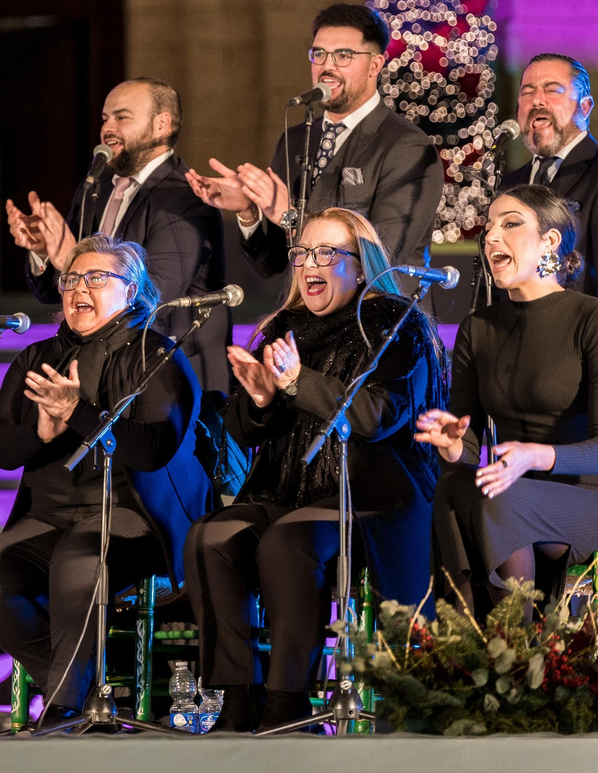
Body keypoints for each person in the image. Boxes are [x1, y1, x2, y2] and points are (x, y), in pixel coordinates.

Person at [184, 208, 444, 733]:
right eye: (302, 253)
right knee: (209, 537)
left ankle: (288, 701)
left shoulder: (396, 323)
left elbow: (375, 416)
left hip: (370, 494)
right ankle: (238, 696)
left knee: (287, 542)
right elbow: (246, 432)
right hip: (289, 489)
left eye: (328, 253)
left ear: (361, 264)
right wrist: (259, 399)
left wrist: (299, 382)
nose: (310, 264)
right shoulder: (282, 327)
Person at [0, 235, 211, 722]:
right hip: (51, 515)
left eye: (96, 278)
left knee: (78, 560)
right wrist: (40, 430)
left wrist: (78, 411)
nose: (79, 288)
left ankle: (65, 710)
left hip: (136, 517)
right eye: (72, 279)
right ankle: (88, 684)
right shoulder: (36, 358)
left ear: (133, 290)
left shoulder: (156, 354)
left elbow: (154, 449)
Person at [416, 186, 598, 619]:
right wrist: (453, 444)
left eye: (510, 224)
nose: (490, 237)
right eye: (488, 227)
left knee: (502, 499)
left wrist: (534, 457)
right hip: (519, 496)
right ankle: (465, 650)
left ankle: (518, 658)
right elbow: (466, 454)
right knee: (452, 486)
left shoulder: (597, 319)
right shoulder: (479, 328)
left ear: (550, 241)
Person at [186, 4, 442, 284]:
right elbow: (270, 265)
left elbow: (384, 256)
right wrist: (249, 211)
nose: (327, 66)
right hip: (303, 318)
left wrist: (291, 216)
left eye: (344, 55)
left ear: (375, 65)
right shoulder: (295, 140)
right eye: (318, 53)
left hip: (376, 319)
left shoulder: (407, 147)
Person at [6, 78, 230, 395]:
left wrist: (71, 258)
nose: (107, 128)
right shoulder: (96, 187)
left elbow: (154, 298)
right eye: (105, 118)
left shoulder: (184, 198)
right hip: (105, 375)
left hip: (170, 382)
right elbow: (52, 293)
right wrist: (44, 251)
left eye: (121, 117)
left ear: (161, 125)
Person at [497, 54, 598, 331]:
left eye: (553, 89)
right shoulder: (511, 184)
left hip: (584, 354)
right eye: (527, 91)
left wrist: (573, 347)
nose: (537, 100)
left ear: (585, 106)